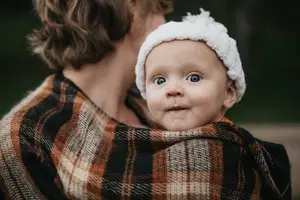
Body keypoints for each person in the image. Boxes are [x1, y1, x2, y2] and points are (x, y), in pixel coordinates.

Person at [0, 0, 291, 198]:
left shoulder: (160, 105)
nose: (166, 23)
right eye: (158, 10)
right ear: (130, 7)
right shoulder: (27, 134)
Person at [134, 9, 292, 199]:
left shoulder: (232, 155)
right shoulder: (141, 147)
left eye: (193, 77)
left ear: (228, 93)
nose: (173, 89)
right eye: (160, 80)